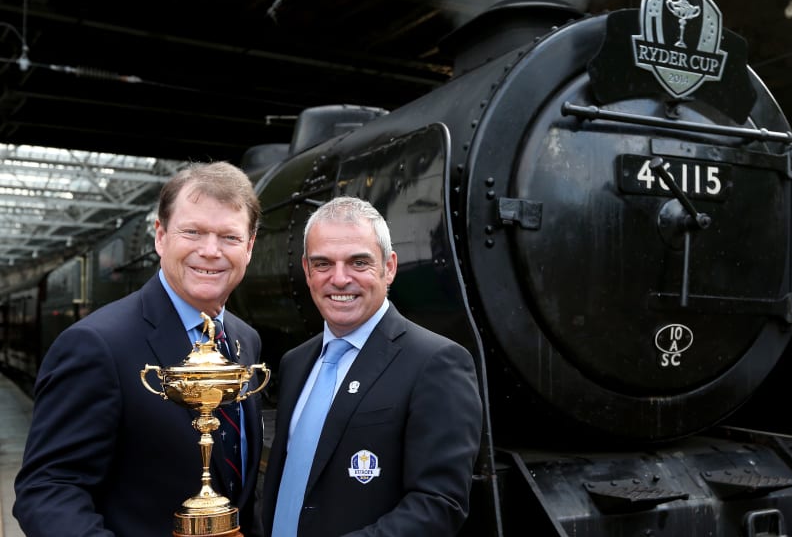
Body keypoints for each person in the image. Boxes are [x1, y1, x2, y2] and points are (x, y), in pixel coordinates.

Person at [14, 161, 265, 537]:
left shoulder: (246, 340)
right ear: (160, 236)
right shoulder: (96, 344)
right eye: (193, 232)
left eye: (229, 237)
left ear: (249, 246)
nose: (210, 251)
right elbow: (48, 491)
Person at [262, 196, 482, 537]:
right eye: (323, 264)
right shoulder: (295, 363)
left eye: (358, 263)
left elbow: (439, 505)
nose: (339, 279)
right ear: (306, 271)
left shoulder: (437, 363)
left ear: (389, 267)